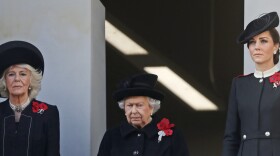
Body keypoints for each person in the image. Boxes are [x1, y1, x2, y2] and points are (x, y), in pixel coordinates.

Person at [222, 11, 280, 156]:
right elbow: (231, 136)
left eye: (263, 41)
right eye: (252, 42)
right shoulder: (239, 84)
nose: (257, 47)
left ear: (276, 47)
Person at [97, 73, 189, 156]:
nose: (133, 111)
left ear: (151, 107)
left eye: (139, 105)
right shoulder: (112, 135)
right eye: (129, 105)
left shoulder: (172, 136)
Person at [0, 41, 60, 156]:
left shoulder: (48, 113)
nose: (17, 79)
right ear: (5, 81)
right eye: (11, 74)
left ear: (31, 80)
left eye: (23, 74)